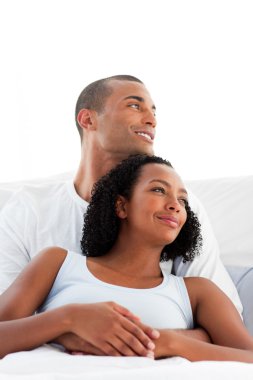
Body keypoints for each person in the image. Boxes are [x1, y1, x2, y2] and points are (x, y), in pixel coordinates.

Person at [0, 75, 242, 354]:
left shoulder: (181, 212)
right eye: (135, 106)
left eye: (154, 111)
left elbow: (225, 326)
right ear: (88, 120)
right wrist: (68, 325)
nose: (151, 119)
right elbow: (8, 321)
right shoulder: (30, 211)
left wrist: (137, 337)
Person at [0, 154, 252, 362]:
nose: (175, 204)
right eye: (158, 190)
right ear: (121, 206)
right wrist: (68, 319)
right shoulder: (57, 263)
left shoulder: (197, 292)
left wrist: (169, 342)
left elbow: (248, 357)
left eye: (183, 200)